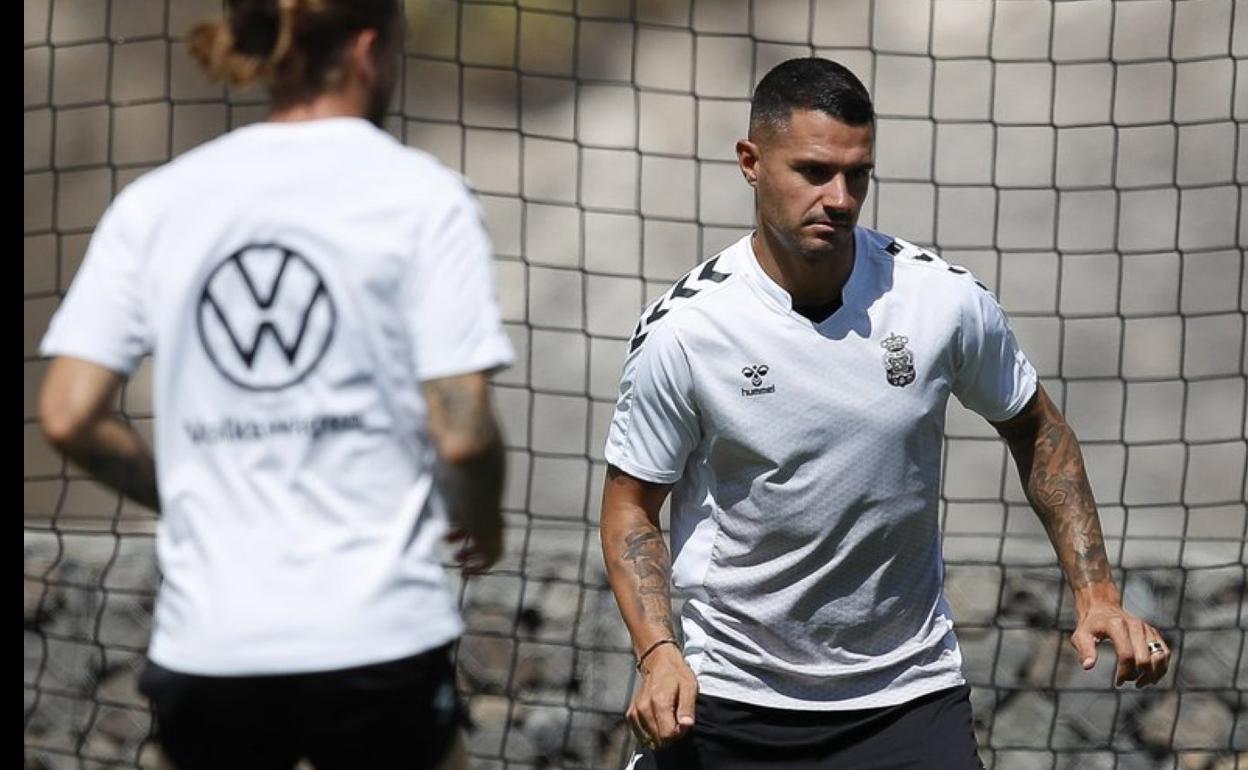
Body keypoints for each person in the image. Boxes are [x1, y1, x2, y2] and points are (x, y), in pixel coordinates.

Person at [599, 57, 1171, 769]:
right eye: (813, 171)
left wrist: (1098, 595)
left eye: (857, 175)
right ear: (751, 162)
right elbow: (630, 508)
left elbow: (1038, 429)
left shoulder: (941, 301)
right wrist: (658, 652)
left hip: (909, 696)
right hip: (733, 701)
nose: (839, 198)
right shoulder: (687, 330)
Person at [36, 1, 512, 768]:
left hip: (210, 648)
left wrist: (185, 491)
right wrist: (481, 517)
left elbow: (65, 414)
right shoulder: (423, 196)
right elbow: (463, 430)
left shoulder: (157, 203)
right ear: (367, 48)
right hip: (377, 639)